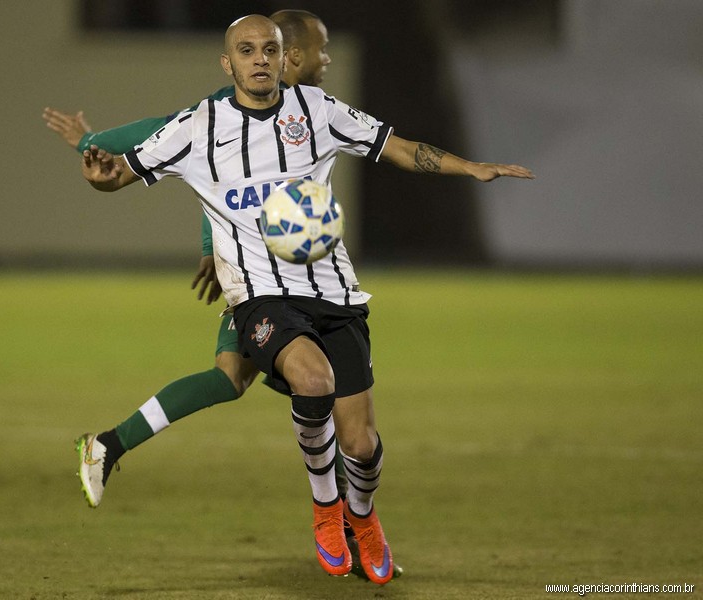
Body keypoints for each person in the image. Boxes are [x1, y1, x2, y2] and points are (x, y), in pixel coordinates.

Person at [80, 14, 533, 585]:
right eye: (246, 51)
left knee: (361, 444)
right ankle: (325, 508)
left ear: (282, 55)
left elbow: (394, 146)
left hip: (334, 292)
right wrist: (98, 171)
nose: (259, 59)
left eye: (268, 49)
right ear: (229, 63)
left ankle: (361, 518)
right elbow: (121, 174)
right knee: (307, 379)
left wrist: (469, 167)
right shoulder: (200, 125)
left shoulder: (318, 112)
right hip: (260, 297)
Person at [49, 9, 401, 581]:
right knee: (273, 384)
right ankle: (110, 446)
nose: (326, 59)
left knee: (238, 379)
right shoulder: (227, 108)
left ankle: (109, 445)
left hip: (297, 285)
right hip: (258, 285)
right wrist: (93, 146)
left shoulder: (311, 115)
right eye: (319, 48)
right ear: (291, 54)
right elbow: (171, 142)